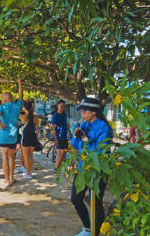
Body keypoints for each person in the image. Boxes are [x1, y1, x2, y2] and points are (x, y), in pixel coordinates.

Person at [70, 98, 113, 236]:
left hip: (98, 169)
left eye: (84, 111)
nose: (81, 113)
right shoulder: (85, 124)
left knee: (96, 202)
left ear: (94, 112)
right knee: (75, 198)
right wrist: (75, 136)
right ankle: (88, 229)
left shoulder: (104, 127)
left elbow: (99, 153)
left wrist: (85, 140)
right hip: (83, 168)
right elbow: (76, 146)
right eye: (81, 111)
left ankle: (94, 233)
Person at [0, 79, 23, 187]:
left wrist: (1, 126)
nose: (1, 99)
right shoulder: (17, 106)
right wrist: (20, 83)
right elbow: (21, 96)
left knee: (4, 158)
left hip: (3, 137)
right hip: (13, 137)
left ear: (6, 99)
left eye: (2, 98)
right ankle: (12, 178)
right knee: (12, 157)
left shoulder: (1, 107)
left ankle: (7, 180)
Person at [17, 100, 40, 179]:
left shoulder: (22, 116)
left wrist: (22, 110)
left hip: (25, 136)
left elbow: (16, 113)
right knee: (30, 155)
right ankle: (30, 172)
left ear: (24, 107)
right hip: (33, 136)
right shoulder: (35, 117)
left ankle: (28, 172)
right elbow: (37, 130)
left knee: (26, 156)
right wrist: (37, 138)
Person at [52, 99, 68, 170]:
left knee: (62, 152)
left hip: (65, 136)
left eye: (64, 106)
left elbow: (65, 125)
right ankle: (56, 167)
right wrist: (56, 139)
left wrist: (69, 131)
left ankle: (57, 165)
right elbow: (54, 128)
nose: (63, 108)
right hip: (59, 137)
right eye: (61, 106)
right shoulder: (55, 116)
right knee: (61, 152)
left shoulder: (64, 115)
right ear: (58, 106)